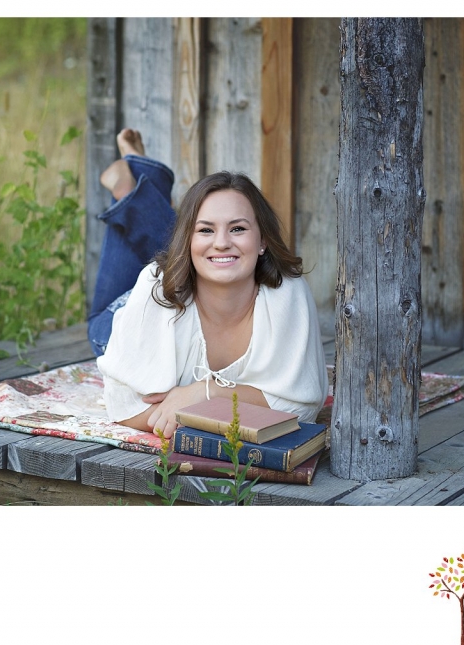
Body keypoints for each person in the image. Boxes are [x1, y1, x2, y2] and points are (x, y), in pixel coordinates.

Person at [90, 128, 329, 438]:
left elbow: (300, 406)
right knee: (167, 258)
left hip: (185, 273)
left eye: (239, 228)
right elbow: (124, 403)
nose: (222, 242)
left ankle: (138, 184)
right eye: (206, 231)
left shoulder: (287, 292)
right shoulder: (154, 286)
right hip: (129, 318)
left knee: (190, 244)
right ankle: (133, 186)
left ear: (263, 241)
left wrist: (206, 392)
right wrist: (237, 404)